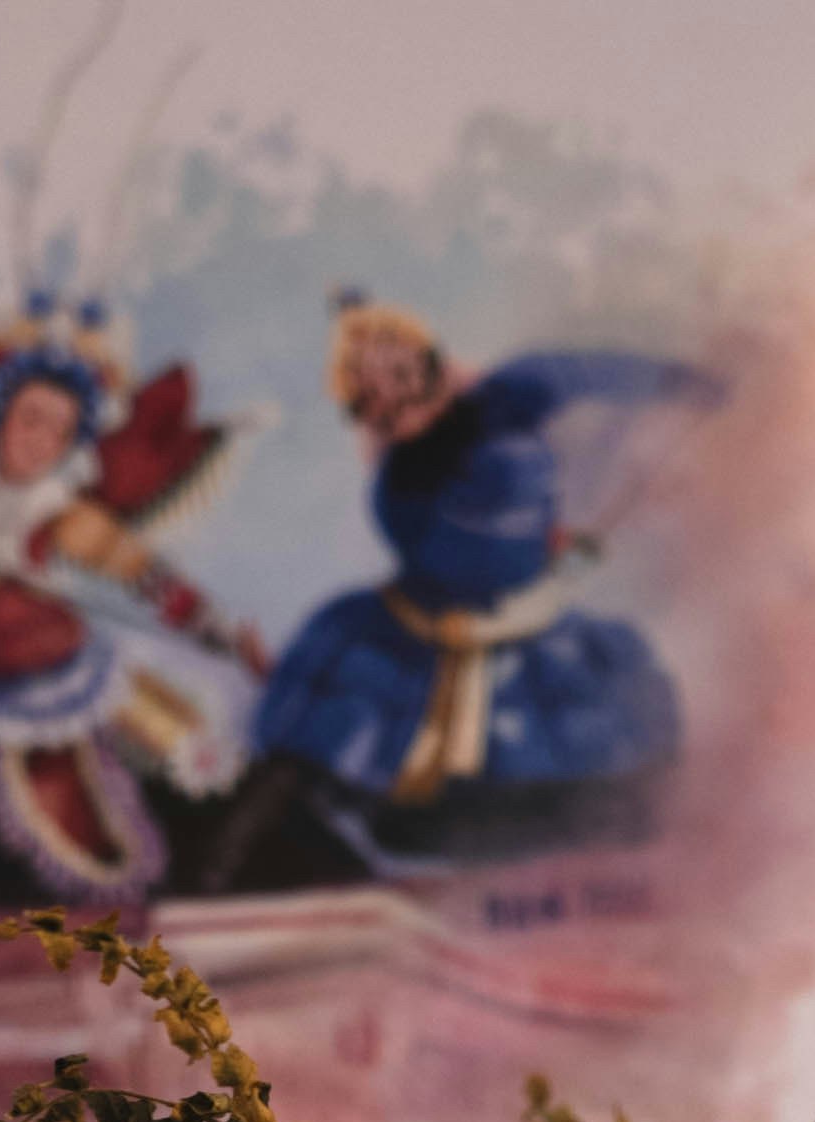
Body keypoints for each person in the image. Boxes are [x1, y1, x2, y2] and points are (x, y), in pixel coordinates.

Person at [219, 302, 726, 883]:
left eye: (402, 379)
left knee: (592, 716)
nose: (391, 404)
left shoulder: (503, 407)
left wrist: (681, 383)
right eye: (370, 397)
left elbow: (577, 372)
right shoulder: (402, 472)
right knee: (345, 696)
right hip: (424, 619)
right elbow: (419, 537)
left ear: (430, 372)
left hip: (517, 618)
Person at [0, 292, 260, 904]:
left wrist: (220, 632)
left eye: (60, 431)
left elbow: (153, 581)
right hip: (1, 703)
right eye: (32, 419)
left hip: (88, 692)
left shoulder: (65, 519)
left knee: (182, 784)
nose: (41, 441)